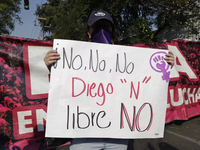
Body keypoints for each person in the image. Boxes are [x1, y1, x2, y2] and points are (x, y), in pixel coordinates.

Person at [44, 10, 174, 150]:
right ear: (88, 32)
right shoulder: (75, 58)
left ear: (112, 30)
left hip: (117, 137)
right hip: (84, 136)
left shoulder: (128, 58)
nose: (101, 30)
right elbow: (66, 83)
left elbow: (145, 84)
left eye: (106, 26)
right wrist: (52, 66)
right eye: (96, 27)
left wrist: (166, 67)